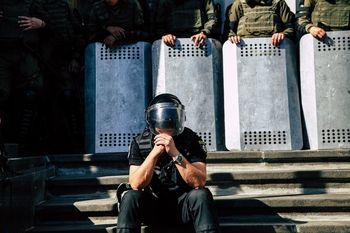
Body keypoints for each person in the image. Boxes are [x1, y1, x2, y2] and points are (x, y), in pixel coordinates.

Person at [116, 93, 221, 233]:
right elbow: (135, 183)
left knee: (201, 195)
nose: (166, 122)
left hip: (184, 206)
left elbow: (199, 182)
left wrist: (175, 153)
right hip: (153, 207)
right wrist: (154, 154)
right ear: (152, 118)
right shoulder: (140, 142)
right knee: (130, 196)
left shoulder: (191, 140)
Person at [0, 0, 47, 155]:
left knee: (32, 94)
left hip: (26, 52)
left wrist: (41, 23)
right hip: (3, 55)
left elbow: (51, 22)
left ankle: (23, 142)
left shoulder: (32, 3)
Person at [226, 0, 295, 46]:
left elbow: (291, 29)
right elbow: (230, 31)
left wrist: (282, 34)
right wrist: (232, 37)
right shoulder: (239, 3)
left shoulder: (278, 2)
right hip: (245, 52)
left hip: (274, 51)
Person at [155, 0, 219, 48]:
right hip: (172, 46)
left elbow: (212, 19)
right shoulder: (165, 2)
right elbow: (158, 25)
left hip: (199, 44)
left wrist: (204, 33)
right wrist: (165, 35)